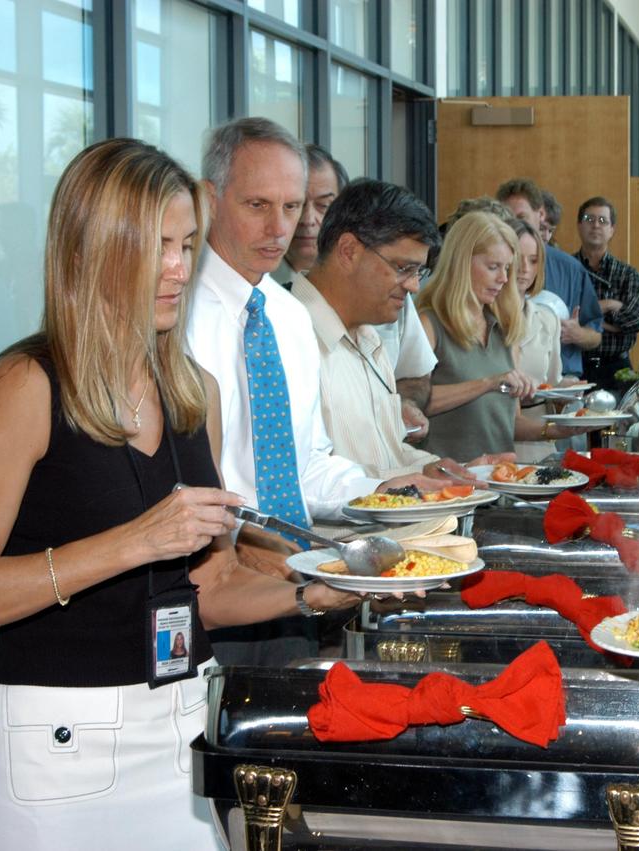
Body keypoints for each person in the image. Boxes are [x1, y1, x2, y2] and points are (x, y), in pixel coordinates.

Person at [0, 138, 364, 850]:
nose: (176, 269)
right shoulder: (27, 384)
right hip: (60, 740)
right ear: (92, 249)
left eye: (186, 245)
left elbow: (211, 585)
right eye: (154, 247)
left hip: (182, 720)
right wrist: (135, 539)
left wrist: (317, 592)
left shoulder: (196, 393)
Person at [185, 118, 433, 664]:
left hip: (294, 586)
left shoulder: (288, 316)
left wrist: (386, 490)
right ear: (209, 198)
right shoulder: (174, 320)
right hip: (203, 594)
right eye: (257, 205)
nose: (281, 227)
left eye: (293, 207)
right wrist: (244, 548)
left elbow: (307, 464)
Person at [290, 179, 507, 478]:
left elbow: (387, 453)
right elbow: (309, 476)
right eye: (403, 268)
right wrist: (412, 481)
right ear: (349, 250)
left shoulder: (370, 340)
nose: (414, 286)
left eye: (419, 271)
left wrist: (442, 470)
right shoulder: (287, 337)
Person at [417, 211, 587, 459]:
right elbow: (413, 404)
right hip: (448, 488)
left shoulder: (503, 329)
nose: (504, 278)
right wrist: (488, 383)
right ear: (461, 263)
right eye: (493, 267)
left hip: (499, 482)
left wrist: (556, 429)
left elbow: (510, 422)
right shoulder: (428, 325)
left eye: (507, 268)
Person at [497, 178, 603, 376]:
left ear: (541, 215)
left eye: (521, 217)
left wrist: (578, 334)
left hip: (560, 381)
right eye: (507, 219)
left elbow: (596, 335)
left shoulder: (570, 269)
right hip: (504, 383)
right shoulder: (491, 273)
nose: (525, 269)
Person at [509, 217, 565, 462]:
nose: (525, 269)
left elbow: (552, 384)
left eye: (533, 261)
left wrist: (566, 393)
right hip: (491, 445)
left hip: (538, 445)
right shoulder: (482, 319)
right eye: (518, 259)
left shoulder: (547, 318)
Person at [574, 196, 639, 389]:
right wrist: (608, 305)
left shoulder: (628, 274)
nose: (596, 225)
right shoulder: (567, 269)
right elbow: (564, 317)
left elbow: (634, 321)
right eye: (590, 219)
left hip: (617, 368)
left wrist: (588, 317)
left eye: (603, 221)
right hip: (575, 366)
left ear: (612, 230)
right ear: (580, 226)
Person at [272, 143, 348, 285]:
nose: (308, 220)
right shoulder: (256, 286)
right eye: (294, 205)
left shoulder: (360, 286)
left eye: (323, 205)